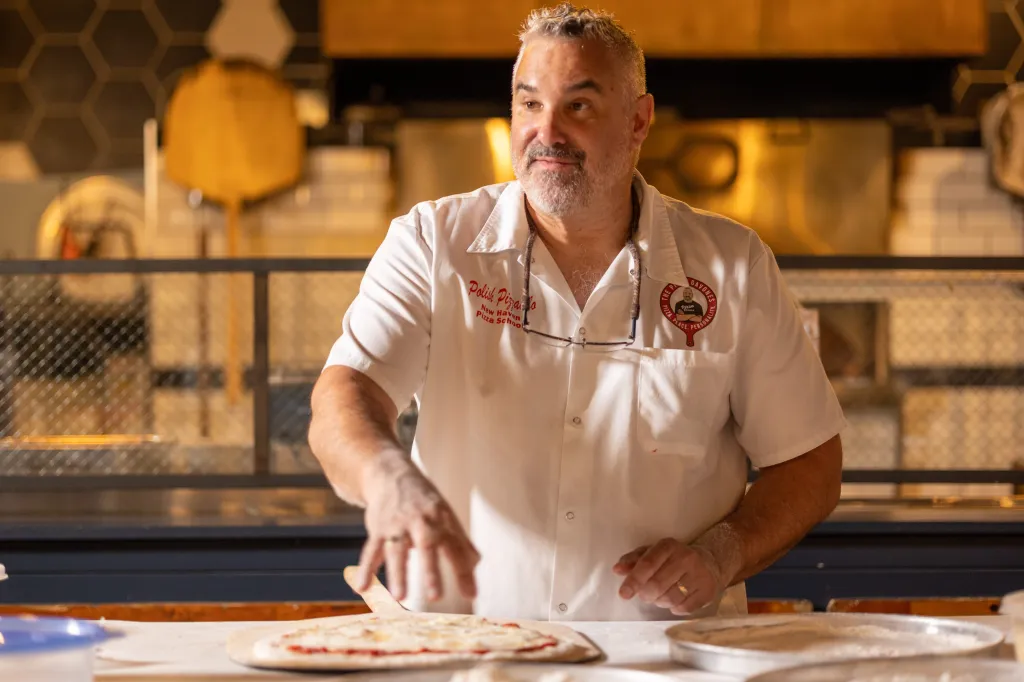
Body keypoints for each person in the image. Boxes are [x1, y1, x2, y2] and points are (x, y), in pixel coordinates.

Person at [309, 3, 845, 622]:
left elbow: (810, 461)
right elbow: (347, 394)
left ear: (639, 121)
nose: (548, 132)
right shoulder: (433, 243)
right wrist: (387, 478)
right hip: (466, 645)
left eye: (579, 106)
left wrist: (722, 555)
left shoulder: (733, 265)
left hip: (660, 656)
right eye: (529, 103)